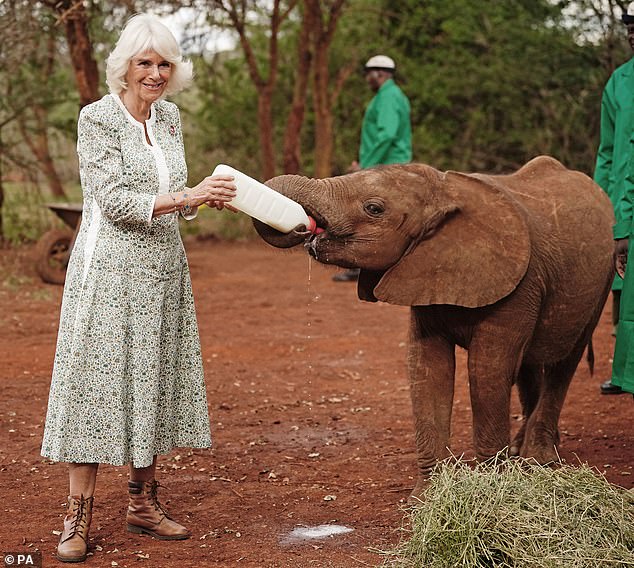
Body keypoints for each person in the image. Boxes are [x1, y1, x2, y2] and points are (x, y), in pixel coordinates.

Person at [40, 14, 237, 563]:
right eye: (144, 62)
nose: (154, 73)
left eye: (164, 64)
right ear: (124, 66)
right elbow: (114, 199)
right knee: (94, 384)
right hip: (107, 268)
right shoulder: (96, 118)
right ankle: (76, 515)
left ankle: (142, 502)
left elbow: (171, 190)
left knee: (151, 375)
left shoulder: (170, 118)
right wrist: (189, 197)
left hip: (162, 266)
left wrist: (202, 197)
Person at [333, 54, 412, 282]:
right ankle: (371, 267)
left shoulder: (388, 97)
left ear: (380, 73)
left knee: (364, 214)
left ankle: (362, 267)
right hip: (384, 163)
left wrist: (367, 166)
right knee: (379, 217)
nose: (367, 78)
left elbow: (387, 134)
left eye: (369, 73)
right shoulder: (389, 96)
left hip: (386, 165)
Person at [593, 2, 634, 394]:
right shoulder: (618, 82)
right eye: (630, 27)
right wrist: (601, 204)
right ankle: (624, 370)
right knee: (623, 294)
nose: (633, 33)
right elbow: (608, 151)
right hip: (621, 205)